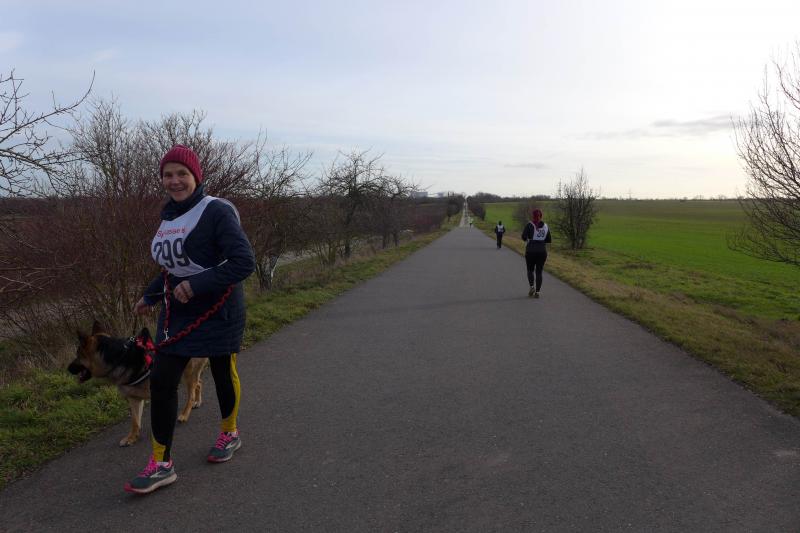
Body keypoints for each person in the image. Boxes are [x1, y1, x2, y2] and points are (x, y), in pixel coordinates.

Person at [126, 144, 255, 494]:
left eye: (182, 173)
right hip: (179, 309)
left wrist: (197, 285)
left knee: (222, 370)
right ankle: (161, 464)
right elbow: (173, 267)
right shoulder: (169, 216)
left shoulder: (215, 211)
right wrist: (151, 295)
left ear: (196, 176)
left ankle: (229, 432)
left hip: (219, 307)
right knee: (162, 380)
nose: (175, 181)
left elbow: (244, 262)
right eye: (168, 175)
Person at [521, 208, 551, 298]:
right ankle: (537, 292)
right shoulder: (546, 226)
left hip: (530, 251)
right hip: (542, 251)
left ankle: (532, 287)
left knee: (530, 270)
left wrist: (529, 239)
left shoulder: (529, 225)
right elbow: (548, 240)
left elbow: (523, 237)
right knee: (539, 272)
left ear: (533, 216)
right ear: (541, 216)